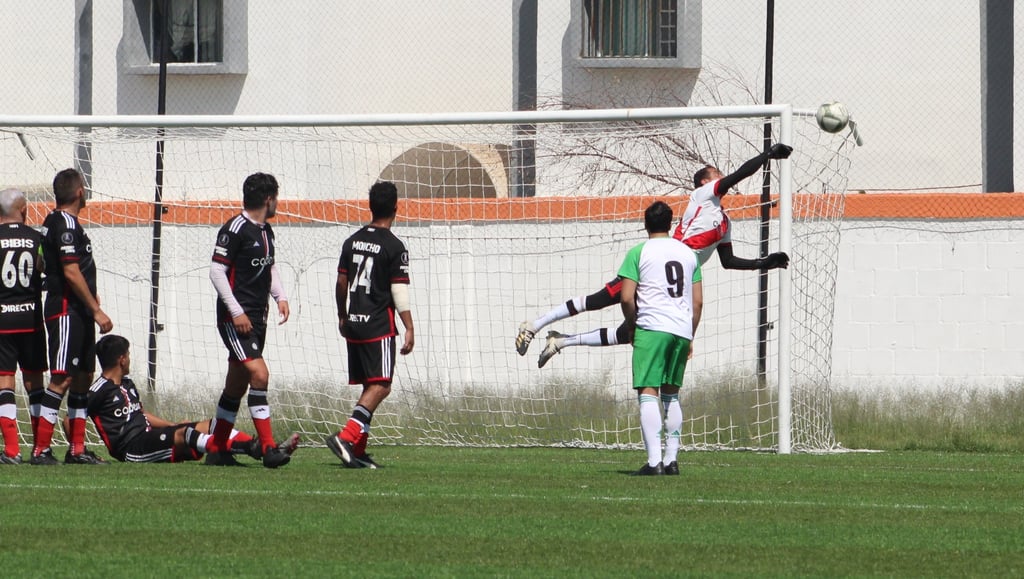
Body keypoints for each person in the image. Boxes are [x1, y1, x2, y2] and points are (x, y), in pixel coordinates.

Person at [515, 143, 793, 368]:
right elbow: (740, 174)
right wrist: (767, 155)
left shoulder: (724, 222)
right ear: (706, 181)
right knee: (601, 299)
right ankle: (535, 324)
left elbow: (728, 261)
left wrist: (765, 262)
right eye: (717, 174)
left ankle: (562, 341)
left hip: (678, 281)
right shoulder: (703, 195)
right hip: (657, 265)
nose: (723, 178)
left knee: (629, 334)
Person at [86, 334, 296, 463]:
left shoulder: (126, 384)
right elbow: (71, 418)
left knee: (212, 425)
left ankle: (264, 446)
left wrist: (171, 425)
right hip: (132, 449)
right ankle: (252, 448)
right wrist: (81, 451)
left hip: (148, 436)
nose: (130, 358)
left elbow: (141, 415)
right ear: (122, 359)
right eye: (128, 354)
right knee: (186, 434)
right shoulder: (98, 390)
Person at [208, 172, 294, 468]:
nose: (277, 203)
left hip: (258, 316)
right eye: (276, 198)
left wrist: (280, 296)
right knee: (260, 374)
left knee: (236, 385)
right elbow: (217, 272)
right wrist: (236, 311)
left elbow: (269, 268)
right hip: (236, 319)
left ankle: (217, 449)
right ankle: (269, 449)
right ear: (269, 199)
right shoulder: (235, 229)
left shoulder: (265, 231)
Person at [326, 181, 414, 469]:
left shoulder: (351, 241)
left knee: (368, 387)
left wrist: (342, 315)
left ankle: (358, 450)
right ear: (396, 208)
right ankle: (346, 438)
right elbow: (398, 290)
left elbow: (341, 282)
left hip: (354, 323)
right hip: (379, 325)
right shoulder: (394, 246)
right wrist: (409, 327)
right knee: (381, 386)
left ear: (370, 206)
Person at [31, 168, 114, 466]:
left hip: (77, 309)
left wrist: (88, 299)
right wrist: (95, 308)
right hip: (67, 310)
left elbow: (41, 261)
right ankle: (40, 449)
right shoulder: (64, 222)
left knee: (82, 377)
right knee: (62, 377)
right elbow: (69, 269)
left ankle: (77, 450)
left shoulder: (53, 223)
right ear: (79, 191)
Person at [619, 201, 703, 475]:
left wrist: (632, 325)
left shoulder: (639, 252)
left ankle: (654, 461)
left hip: (652, 327)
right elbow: (698, 301)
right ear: (671, 224)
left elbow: (627, 296)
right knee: (672, 394)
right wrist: (690, 334)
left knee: (647, 391)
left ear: (645, 223)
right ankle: (672, 460)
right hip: (680, 329)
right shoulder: (689, 254)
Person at [0, 189, 46, 464]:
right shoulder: (36, 238)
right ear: (24, 210)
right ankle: (40, 450)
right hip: (31, 320)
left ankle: (12, 450)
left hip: (2, 321)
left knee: (5, 382)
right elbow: (45, 268)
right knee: (34, 384)